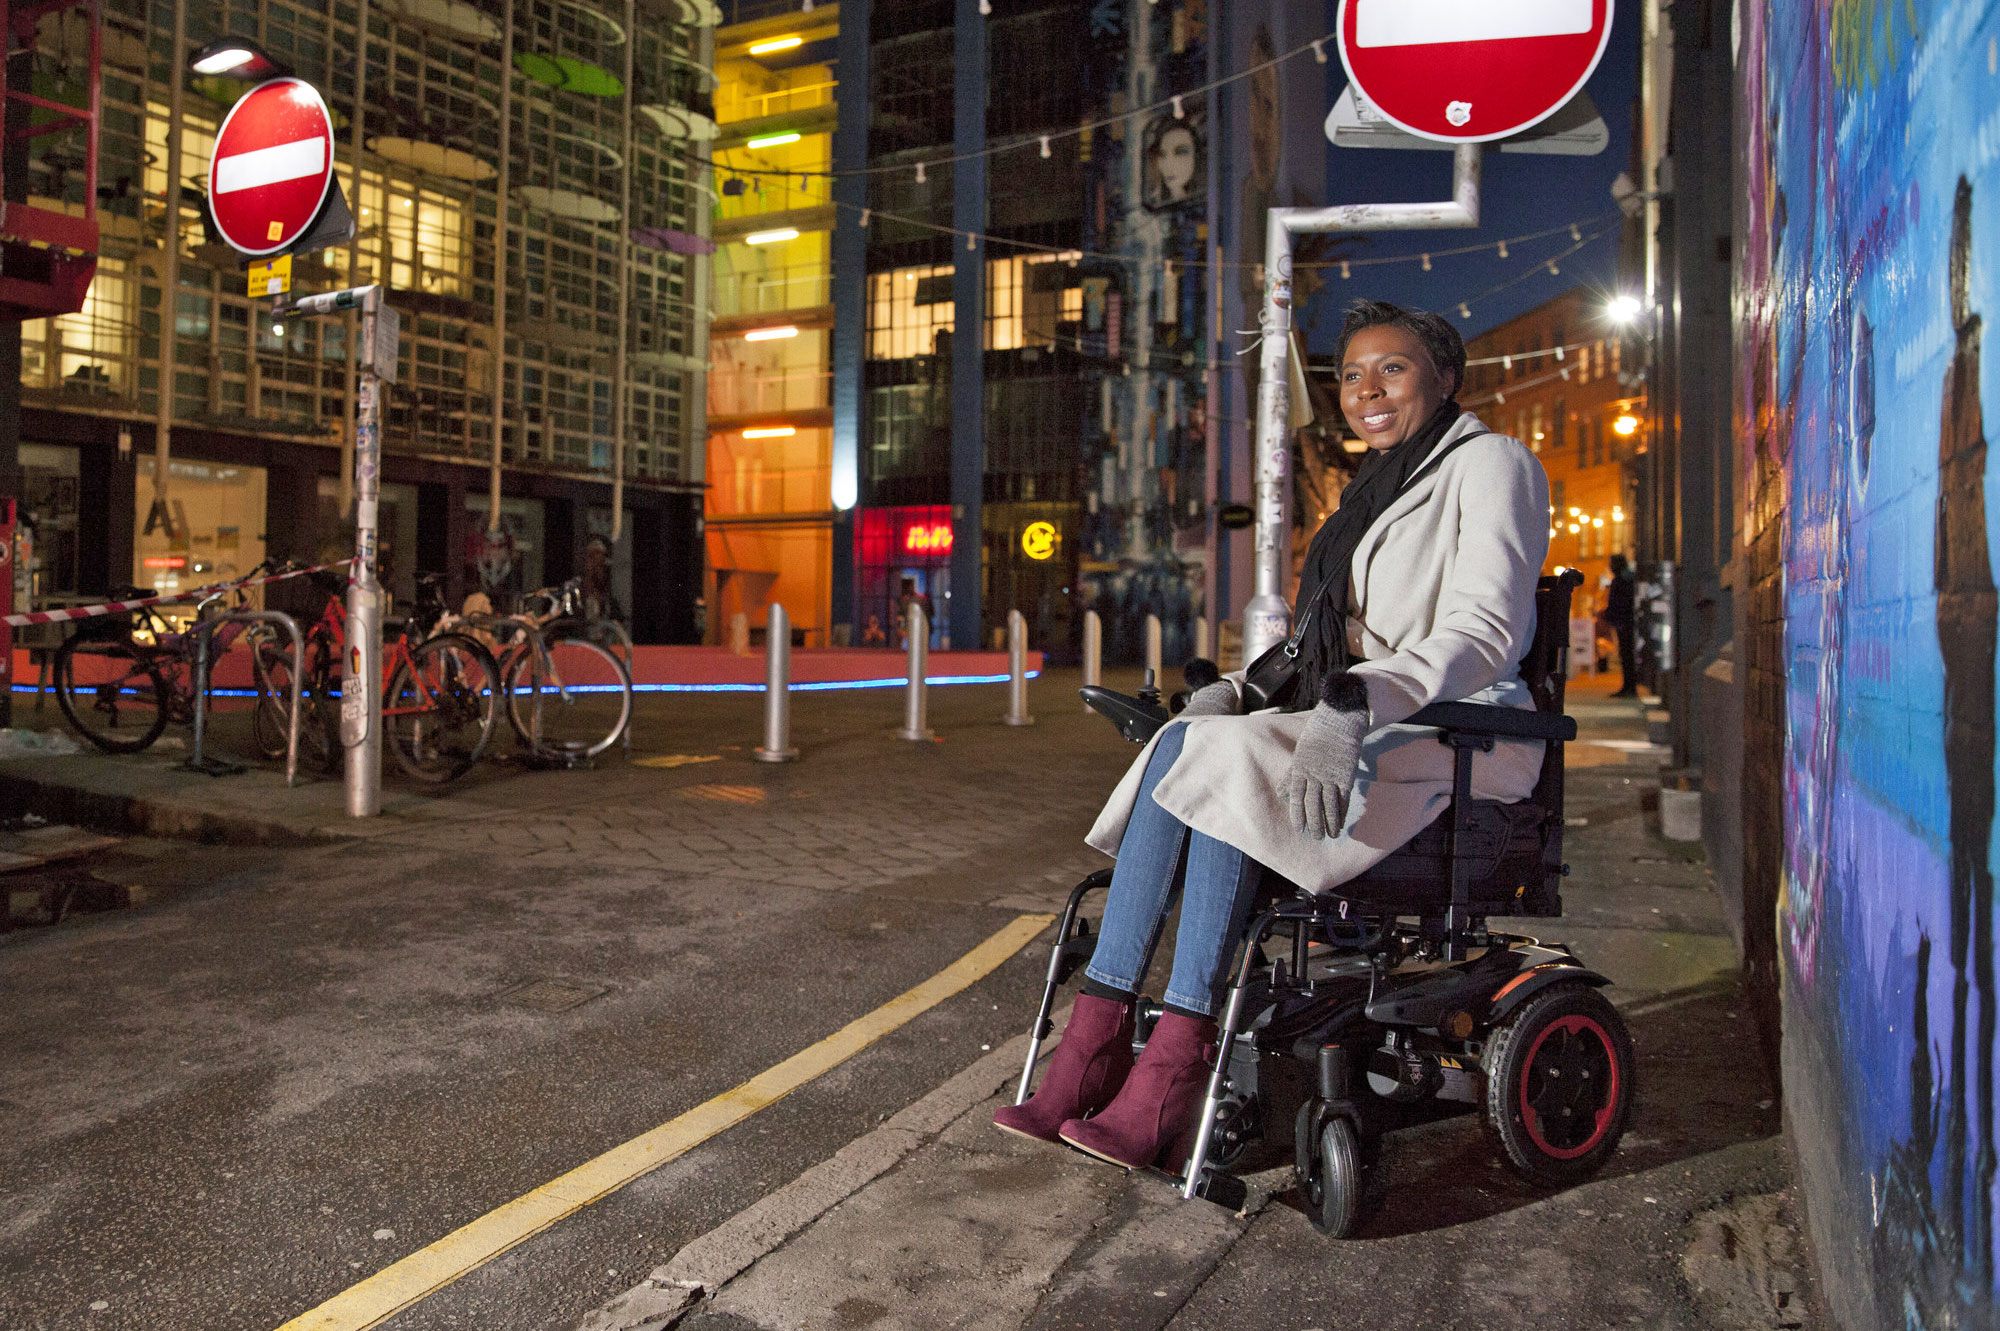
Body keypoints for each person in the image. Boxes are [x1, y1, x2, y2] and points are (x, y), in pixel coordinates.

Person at [995, 300, 1551, 1170]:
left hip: (1461, 733)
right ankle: (1094, 1045)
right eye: (1351, 374)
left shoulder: (1491, 464)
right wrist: (1238, 690)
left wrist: (1358, 698)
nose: (1366, 390)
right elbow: (1315, 645)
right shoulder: (1376, 487)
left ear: (1445, 377)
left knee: (1228, 761)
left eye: (1392, 368)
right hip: (1369, 720)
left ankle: (1171, 1064)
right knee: (1190, 739)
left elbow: (1486, 634)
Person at [1605, 553, 1638, 697]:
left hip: (1624, 622)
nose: (1610, 567)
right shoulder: (1626, 579)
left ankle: (1629, 687)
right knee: (1626, 655)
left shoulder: (1621, 581)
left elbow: (1621, 603)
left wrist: (1614, 617)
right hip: (1625, 621)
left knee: (1626, 655)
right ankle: (1628, 686)